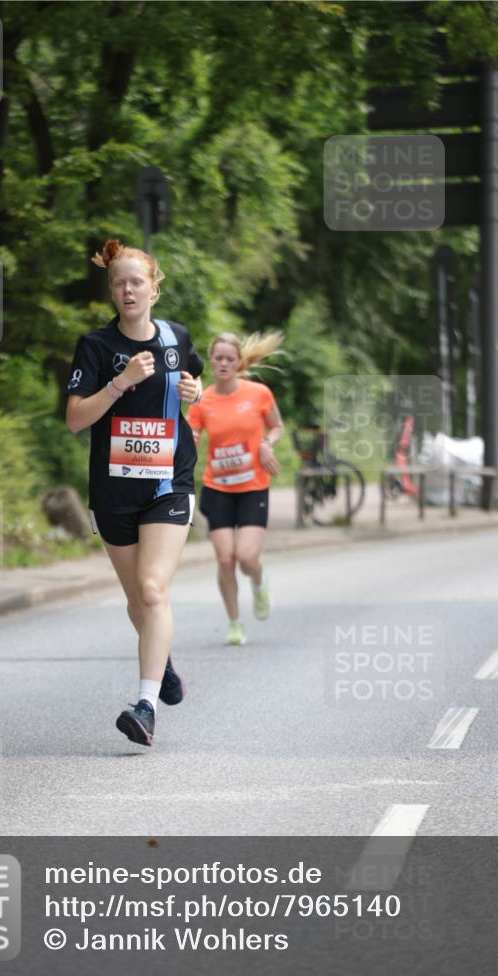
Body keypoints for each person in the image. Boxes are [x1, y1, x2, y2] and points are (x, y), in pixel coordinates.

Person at [66, 239, 204, 747]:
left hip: (169, 484)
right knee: (136, 601)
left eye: (136, 282)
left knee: (152, 590)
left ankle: (145, 705)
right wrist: (119, 383)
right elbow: (76, 420)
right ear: (112, 291)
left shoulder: (176, 337)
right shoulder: (96, 347)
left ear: (154, 288)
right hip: (114, 491)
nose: (128, 290)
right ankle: (162, 662)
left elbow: (193, 385)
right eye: (119, 283)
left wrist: (198, 393)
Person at [187, 332, 284, 646]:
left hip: (253, 486)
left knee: (245, 557)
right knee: (225, 559)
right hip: (218, 488)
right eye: (219, 359)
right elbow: (193, 436)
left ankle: (258, 580)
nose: (224, 364)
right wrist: (185, 445)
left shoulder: (259, 394)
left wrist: (267, 444)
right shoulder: (203, 400)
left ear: (239, 362)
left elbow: (277, 426)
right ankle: (234, 623)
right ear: (211, 361)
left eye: (230, 359)